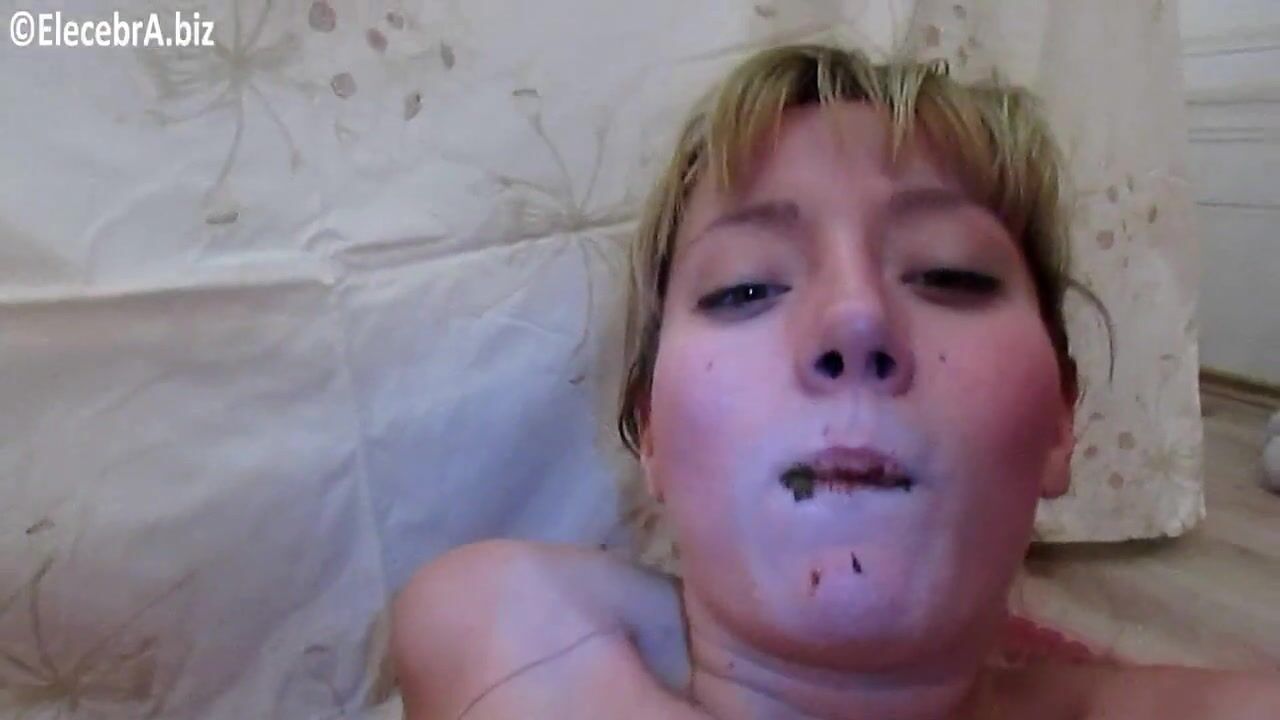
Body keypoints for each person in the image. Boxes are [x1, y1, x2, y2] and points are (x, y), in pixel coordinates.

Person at [391, 44, 1280, 719]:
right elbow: (478, 608)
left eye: (951, 274)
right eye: (744, 289)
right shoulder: (503, 630)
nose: (856, 322)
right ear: (649, 431)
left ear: (1059, 419)